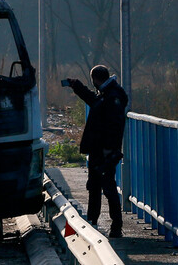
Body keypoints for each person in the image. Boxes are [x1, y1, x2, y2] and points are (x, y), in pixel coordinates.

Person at [64, 65, 129, 237]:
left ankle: (116, 226)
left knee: (107, 187)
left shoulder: (113, 97)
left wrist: (110, 149)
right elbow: (93, 100)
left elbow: (114, 126)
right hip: (99, 150)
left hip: (105, 151)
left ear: (96, 80)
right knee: (95, 186)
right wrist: (77, 86)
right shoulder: (107, 94)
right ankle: (93, 221)